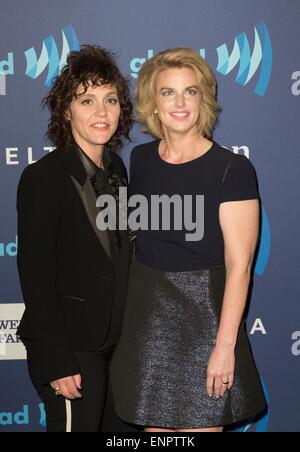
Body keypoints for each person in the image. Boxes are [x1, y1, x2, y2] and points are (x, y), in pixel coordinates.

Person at [111, 48, 267, 433]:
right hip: (149, 320)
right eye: (168, 92)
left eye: (190, 92)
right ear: (153, 102)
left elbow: (239, 266)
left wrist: (224, 346)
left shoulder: (232, 170)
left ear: (204, 100)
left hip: (205, 323)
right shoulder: (141, 160)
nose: (180, 103)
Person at [17, 45, 136, 432]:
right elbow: (34, 277)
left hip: (113, 348)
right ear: (66, 110)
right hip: (70, 349)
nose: (101, 113)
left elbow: (117, 255)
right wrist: (58, 361)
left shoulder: (117, 169)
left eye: (110, 100)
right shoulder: (44, 178)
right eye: (87, 100)